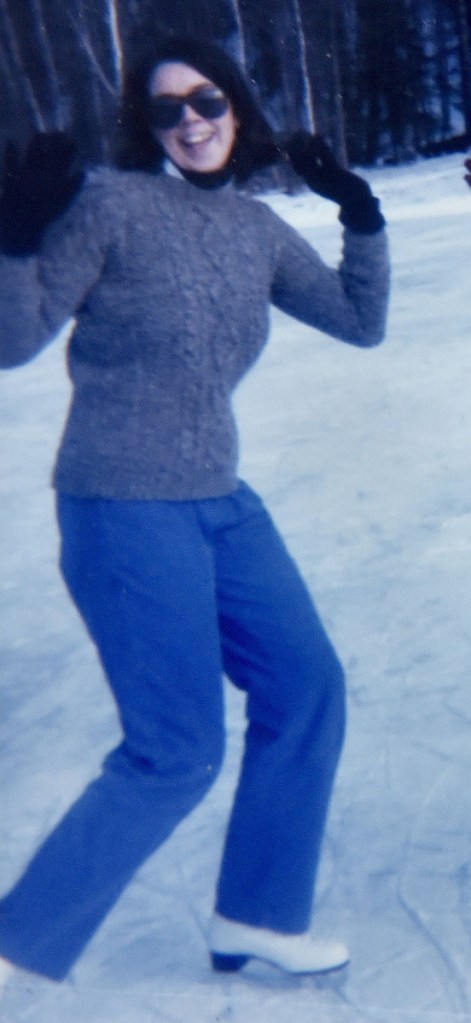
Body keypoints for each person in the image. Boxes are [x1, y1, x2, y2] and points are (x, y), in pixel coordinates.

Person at [0, 36, 389, 983]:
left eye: (204, 99)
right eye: (165, 109)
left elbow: (357, 320)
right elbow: (14, 341)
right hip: (122, 502)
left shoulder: (255, 230)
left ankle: (255, 915)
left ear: (237, 106)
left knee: (306, 690)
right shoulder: (111, 205)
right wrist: (12, 237)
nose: (190, 121)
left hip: (220, 495)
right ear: (148, 128)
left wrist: (360, 213)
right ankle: (15, 941)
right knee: (175, 749)